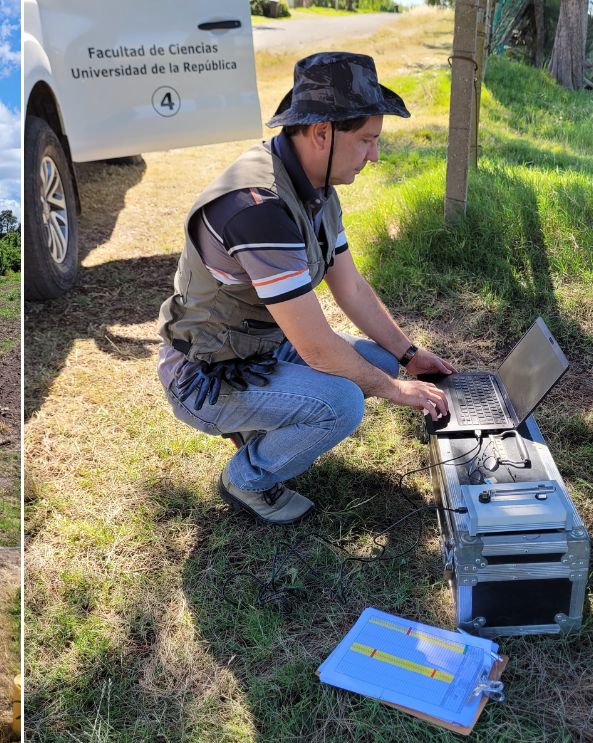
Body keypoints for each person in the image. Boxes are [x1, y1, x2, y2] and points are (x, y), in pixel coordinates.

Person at [156, 52, 456, 526]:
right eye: (366, 141)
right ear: (322, 133)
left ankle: (260, 423)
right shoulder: (259, 208)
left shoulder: (316, 187)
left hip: (260, 348)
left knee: (377, 361)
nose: (374, 157)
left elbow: (351, 287)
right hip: (207, 376)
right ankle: (247, 477)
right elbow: (316, 347)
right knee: (343, 402)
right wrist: (398, 390)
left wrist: (408, 355)